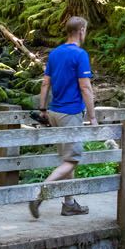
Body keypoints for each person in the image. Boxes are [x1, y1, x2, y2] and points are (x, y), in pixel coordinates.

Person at [30, 16, 95, 218]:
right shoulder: (80, 54)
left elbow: (45, 83)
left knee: (68, 158)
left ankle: (69, 203)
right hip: (70, 113)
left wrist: (42, 109)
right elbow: (85, 87)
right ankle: (40, 192)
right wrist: (92, 116)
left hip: (54, 112)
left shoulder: (55, 53)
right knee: (72, 160)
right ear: (81, 30)